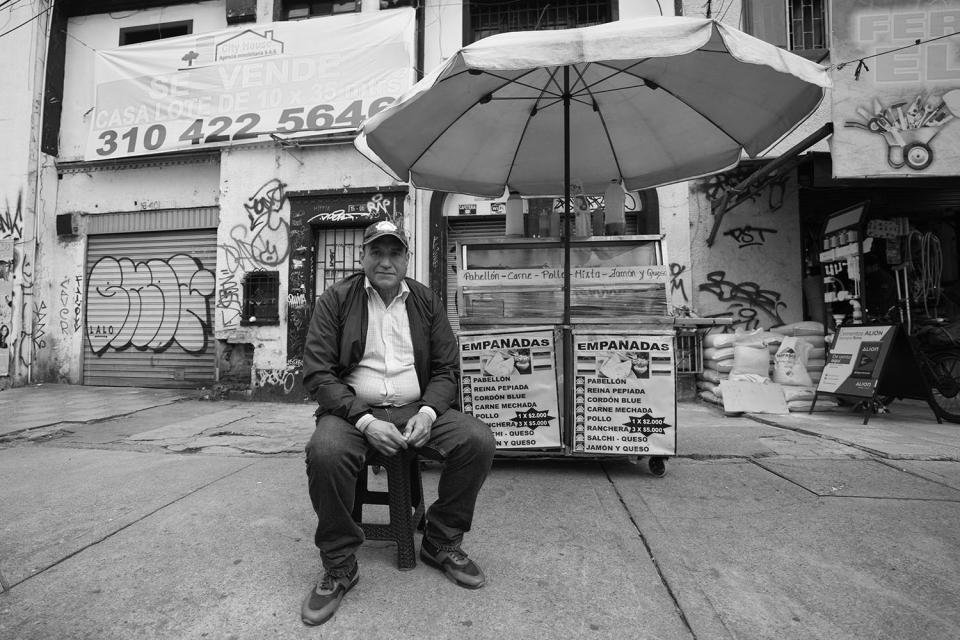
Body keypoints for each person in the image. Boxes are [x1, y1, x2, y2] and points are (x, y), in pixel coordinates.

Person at [301, 220, 497, 626]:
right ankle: (340, 564)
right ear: (363, 257)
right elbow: (318, 373)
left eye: (395, 253)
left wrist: (428, 412)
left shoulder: (426, 301)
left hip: (415, 407)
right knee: (325, 452)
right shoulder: (336, 300)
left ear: (408, 258)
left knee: (476, 440)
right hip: (352, 412)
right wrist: (367, 420)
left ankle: (441, 540)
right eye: (377, 252)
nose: (385, 261)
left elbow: (446, 369)